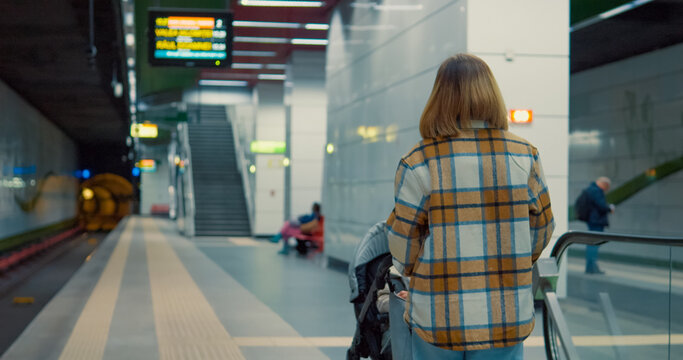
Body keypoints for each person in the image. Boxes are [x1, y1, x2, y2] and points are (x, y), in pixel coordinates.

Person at [386, 54, 554, 359]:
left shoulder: (419, 160)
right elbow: (543, 228)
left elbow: (403, 244)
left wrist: (420, 270)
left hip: (438, 316)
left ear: (439, 98)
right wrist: (511, 259)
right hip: (506, 317)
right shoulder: (524, 155)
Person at [578, 177, 615, 274]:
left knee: (592, 244)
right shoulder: (597, 191)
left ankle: (590, 268)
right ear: (604, 185)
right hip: (597, 221)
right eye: (607, 187)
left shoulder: (590, 189)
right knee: (594, 244)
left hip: (591, 221)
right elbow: (601, 206)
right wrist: (609, 208)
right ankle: (592, 268)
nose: (606, 190)